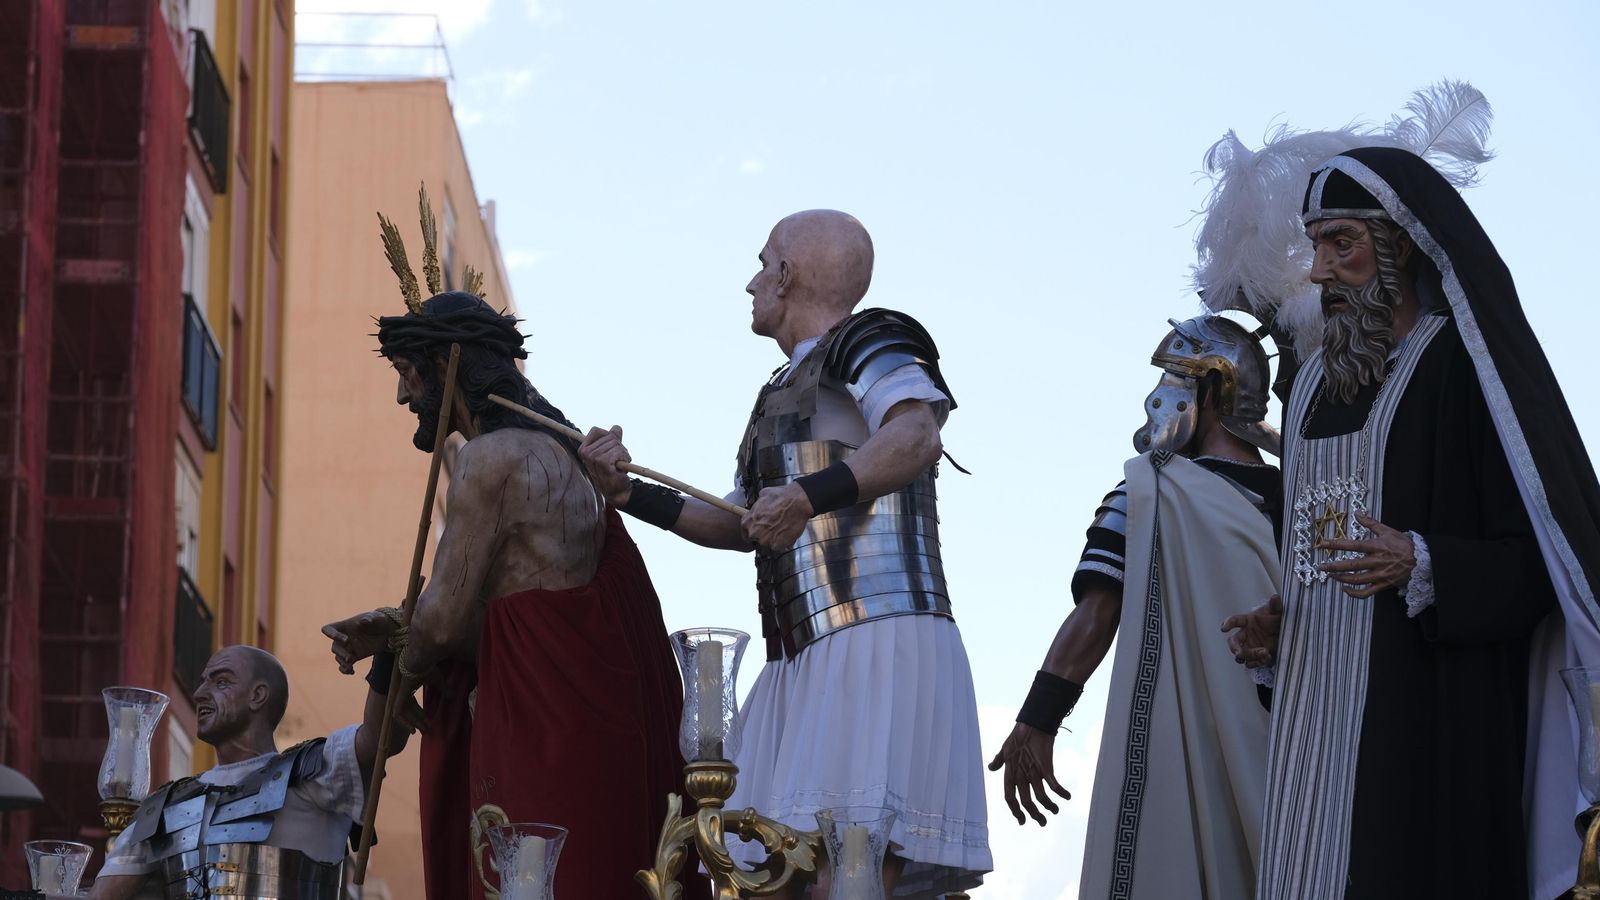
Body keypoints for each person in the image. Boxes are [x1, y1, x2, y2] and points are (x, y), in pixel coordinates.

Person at [1224, 144, 1600, 899]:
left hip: (1434, 728)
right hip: (1310, 738)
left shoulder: (1467, 370)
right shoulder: (1304, 398)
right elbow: (1307, 564)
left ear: (1399, 248)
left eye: (1343, 243)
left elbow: (1544, 564)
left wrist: (1425, 563)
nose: (1321, 270)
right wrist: (1279, 626)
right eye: (1316, 245)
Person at [580, 209, 991, 897]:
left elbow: (916, 435)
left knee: (844, 871)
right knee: (752, 868)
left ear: (787, 274)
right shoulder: (780, 392)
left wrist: (806, 496)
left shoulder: (869, 338)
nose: (750, 282)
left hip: (876, 637)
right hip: (800, 654)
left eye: (761, 263)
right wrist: (628, 492)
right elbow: (741, 520)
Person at [323, 206, 688, 900]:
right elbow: (501, 601)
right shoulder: (563, 454)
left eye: (409, 372)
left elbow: (441, 624)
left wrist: (395, 652)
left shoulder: (489, 460)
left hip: (533, 718)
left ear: (446, 364)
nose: (403, 394)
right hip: (580, 715)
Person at [988, 314, 1281, 898]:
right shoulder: (1164, 492)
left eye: (1175, 377)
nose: (1157, 397)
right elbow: (1100, 606)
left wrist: (1037, 720)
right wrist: (1039, 718)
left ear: (1212, 389)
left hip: (1278, 723)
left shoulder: (1153, 491)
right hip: (1224, 721)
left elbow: (1097, 614)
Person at [87, 645, 410, 899]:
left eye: (221, 681)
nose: (200, 693)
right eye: (202, 681)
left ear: (257, 696)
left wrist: (386, 653)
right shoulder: (165, 806)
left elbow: (382, 737)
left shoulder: (313, 771)